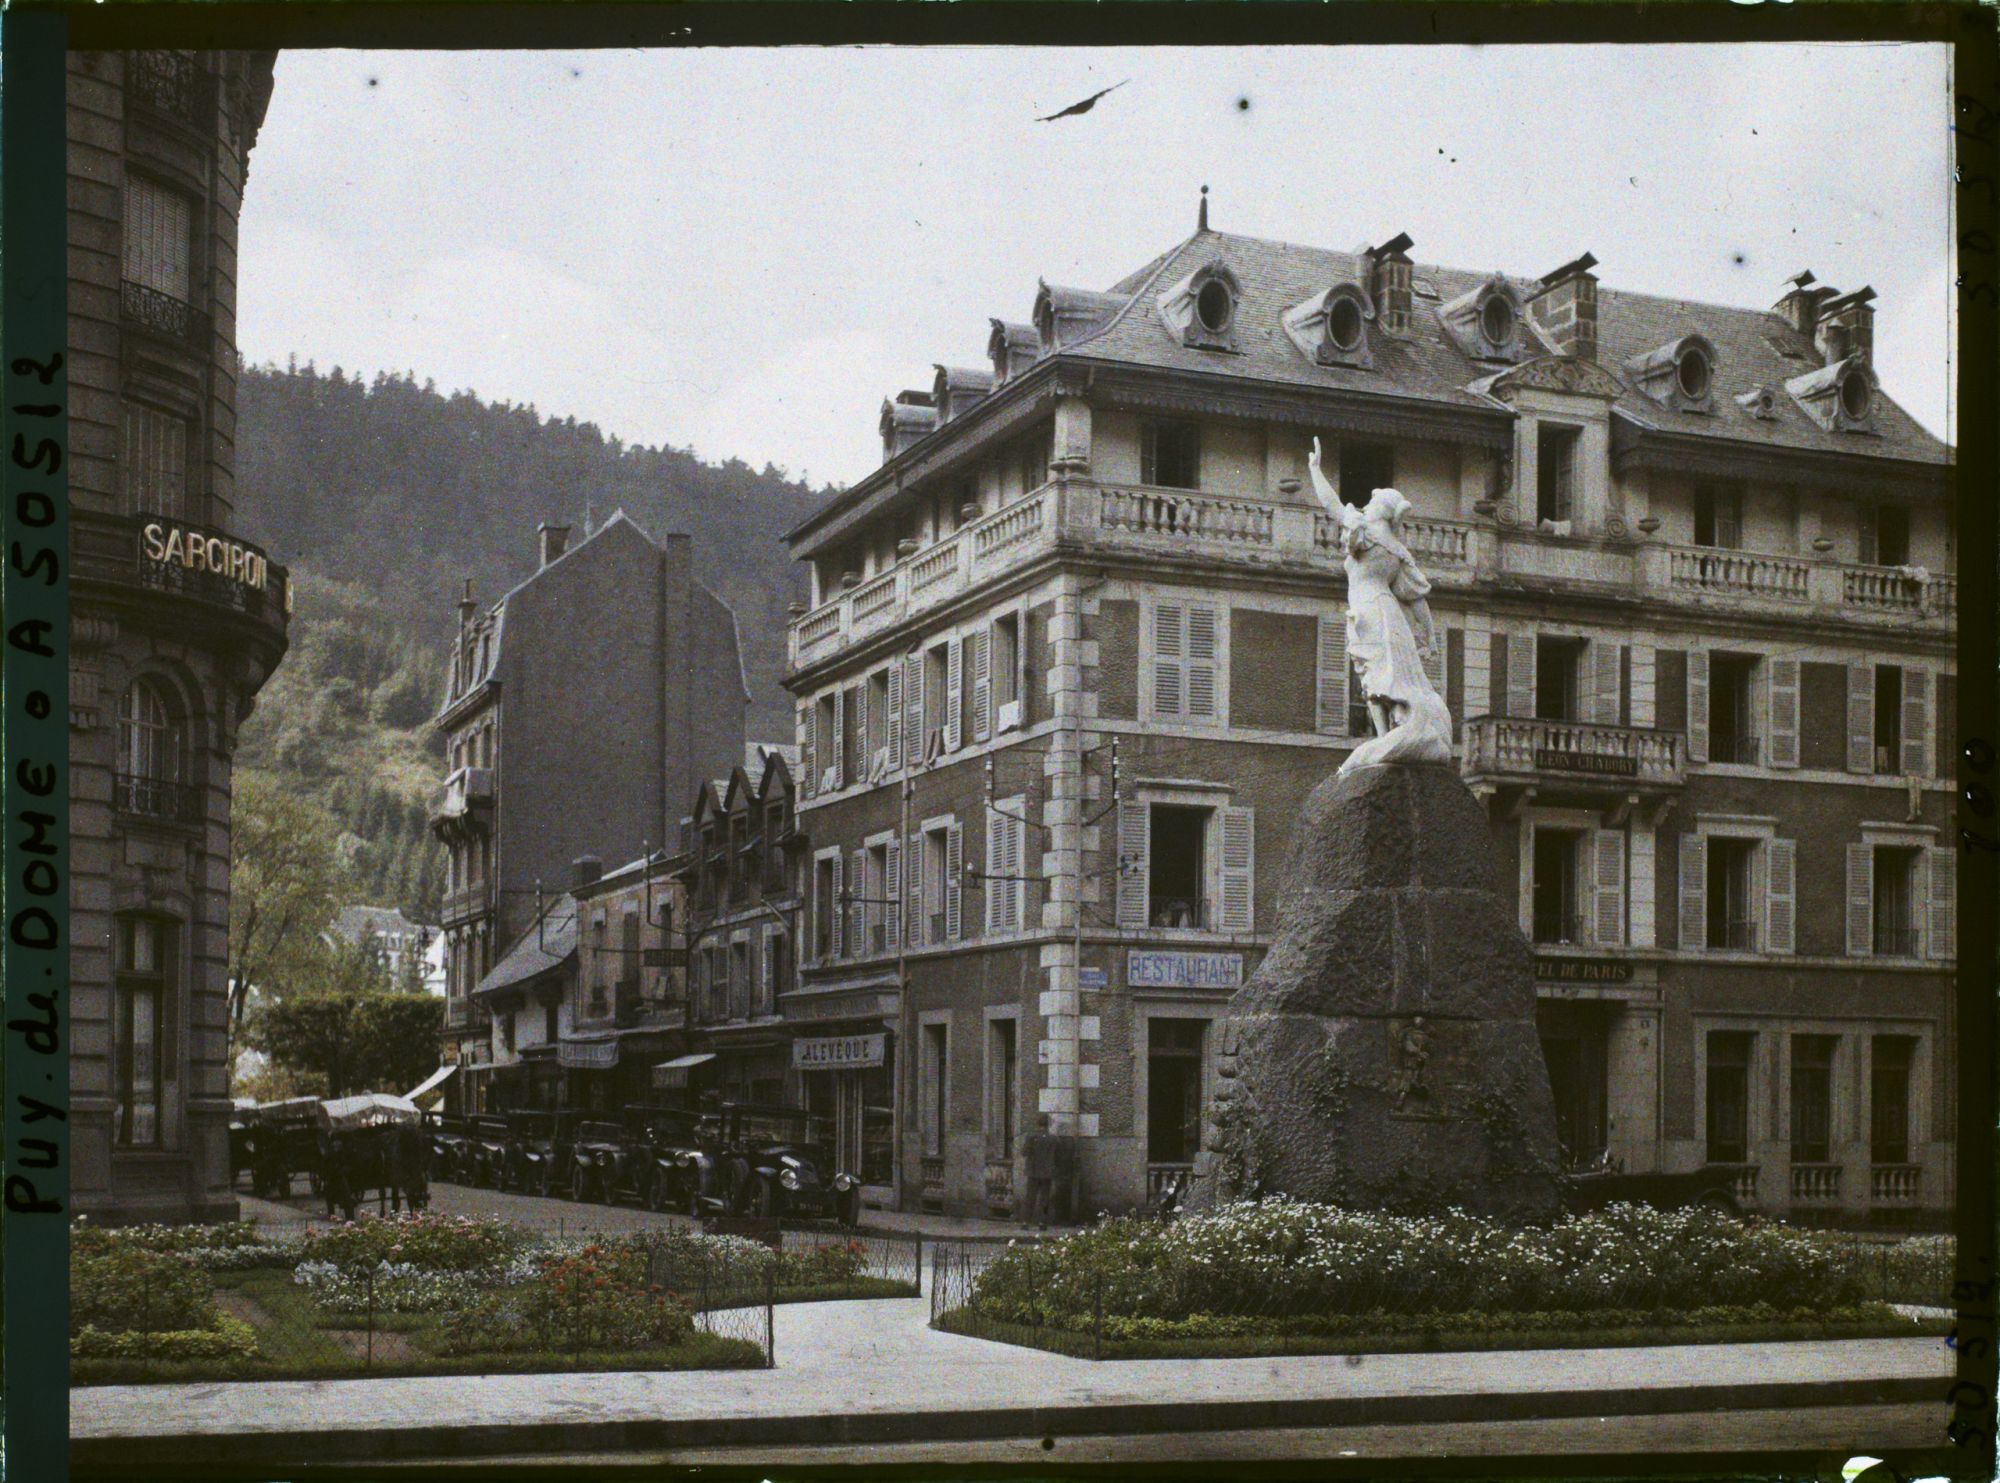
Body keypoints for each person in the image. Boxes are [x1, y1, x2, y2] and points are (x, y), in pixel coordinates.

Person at [1306, 437, 1453, 773]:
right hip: (1390, 615)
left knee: (1371, 675)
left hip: (1368, 613)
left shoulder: (1364, 530)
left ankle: (1384, 737)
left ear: (1379, 510)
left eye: (1371, 502)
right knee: (1392, 675)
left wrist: (1316, 470)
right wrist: (1429, 637)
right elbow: (1417, 601)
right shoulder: (1397, 549)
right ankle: (1389, 737)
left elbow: (1331, 504)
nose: (1366, 505)